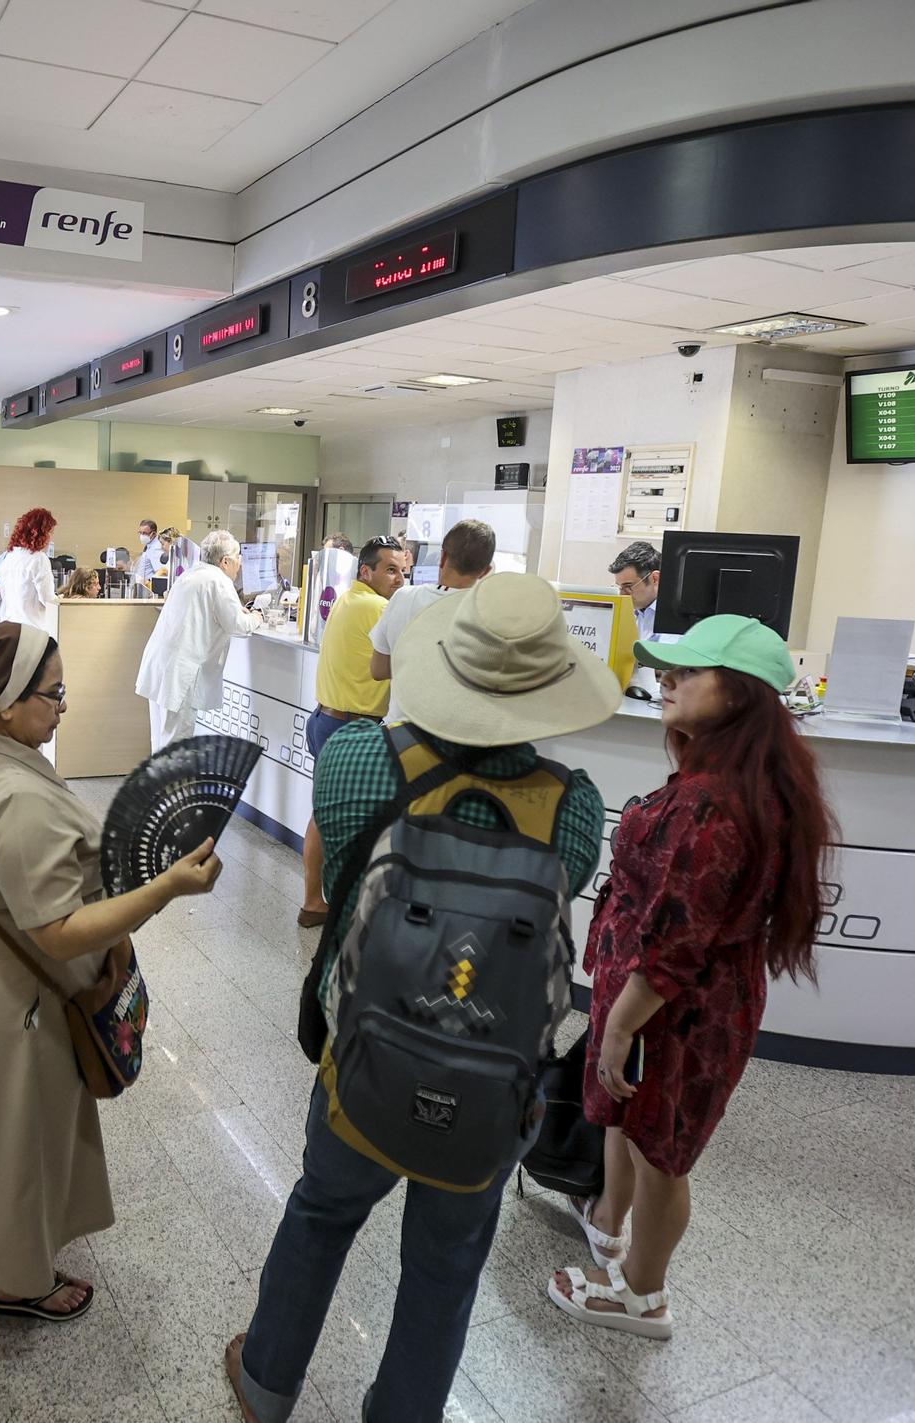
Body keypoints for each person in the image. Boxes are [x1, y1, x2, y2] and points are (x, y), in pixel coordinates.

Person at [227, 574, 616, 1423]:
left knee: (321, 1213)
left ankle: (265, 1382)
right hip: (491, 1086)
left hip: (362, 1060)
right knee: (445, 1269)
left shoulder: (363, 759)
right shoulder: (572, 809)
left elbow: (336, 883)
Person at [0, 623, 222, 1321]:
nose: (63, 706)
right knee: (14, 1146)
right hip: (18, 1002)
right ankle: (16, 1284)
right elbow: (56, 933)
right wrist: (167, 887)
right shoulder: (14, 796)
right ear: (2, 700)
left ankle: (16, 1254)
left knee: (7, 1136)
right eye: (53, 693)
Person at [549, 615, 832, 1340]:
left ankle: (643, 1295)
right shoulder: (726, 780)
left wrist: (615, 1026)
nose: (666, 679)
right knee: (629, 1120)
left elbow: (677, 945)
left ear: (741, 694)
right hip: (656, 997)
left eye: (688, 670)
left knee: (661, 1153)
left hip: (674, 1010)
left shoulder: (717, 806)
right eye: (667, 667)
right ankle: (610, 1225)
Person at [297, 535, 405, 928]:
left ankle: (316, 900)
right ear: (366, 571)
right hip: (351, 727)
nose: (399, 579)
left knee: (325, 815)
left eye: (402, 571)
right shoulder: (377, 608)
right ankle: (321, 904)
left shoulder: (348, 598)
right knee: (339, 821)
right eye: (390, 570)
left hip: (328, 720)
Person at [134, 530, 260, 751]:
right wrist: (257, 617)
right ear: (225, 561)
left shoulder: (194, 574)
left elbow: (209, 610)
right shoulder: (219, 581)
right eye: (238, 557)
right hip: (179, 674)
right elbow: (237, 625)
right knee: (175, 745)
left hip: (162, 666)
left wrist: (236, 612)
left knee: (162, 743)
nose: (240, 563)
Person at [370, 520, 496, 724]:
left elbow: (378, 670)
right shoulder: (488, 614)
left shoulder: (403, 598)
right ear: (485, 571)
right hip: (455, 740)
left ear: (443, 556)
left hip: (400, 735)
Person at [0, 507, 59, 640]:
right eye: (50, 532)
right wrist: (60, 600)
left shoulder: (9, 557)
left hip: (7, 628)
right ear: (40, 533)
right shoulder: (38, 559)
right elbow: (48, 600)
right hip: (32, 631)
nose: (50, 537)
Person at [610, 540, 661, 641]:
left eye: (628, 586)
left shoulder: (676, 620)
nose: (622, 594)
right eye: (620, 587)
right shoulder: (634, 610)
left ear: (655, 579)